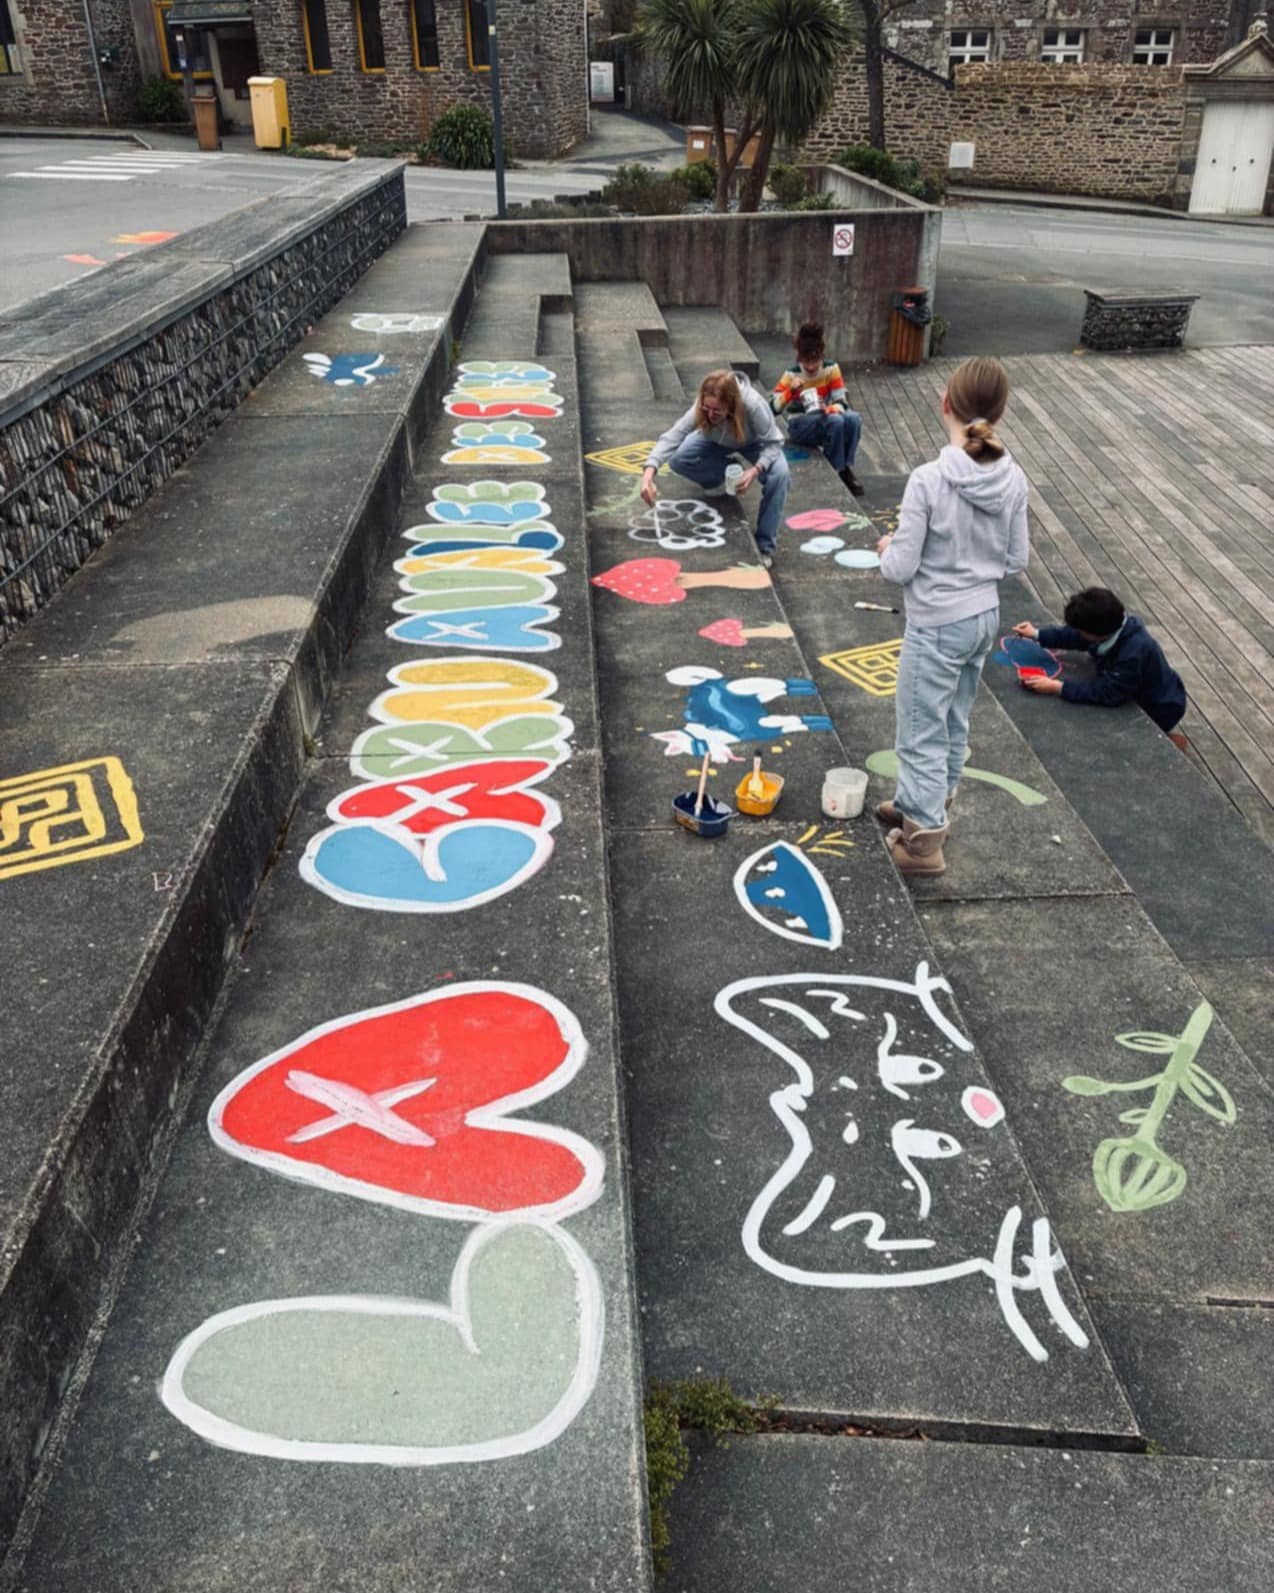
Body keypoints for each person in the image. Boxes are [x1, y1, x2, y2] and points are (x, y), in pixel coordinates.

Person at [874, 355, 1030, 877]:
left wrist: (887, 548)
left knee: (920, 728)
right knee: (953, 718)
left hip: (938, 621)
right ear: (999, 413)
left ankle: (922, 842)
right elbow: (1016, 560)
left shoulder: (929, 479)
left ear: (945, 402)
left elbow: (900, 568)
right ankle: (927, 805)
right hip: (983, 616)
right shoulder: (1012, 478)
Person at [641, 370, 790, 568]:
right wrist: (648, 474)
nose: (710, 414)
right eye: (706, 409)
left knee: (780, 475)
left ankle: (765, 545)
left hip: (754, 442)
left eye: (717, 411)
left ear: (731, 405)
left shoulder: (753, 405)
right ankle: (723, 473)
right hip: (714, 439)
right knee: (679, 458)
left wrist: (755, 470)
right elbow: (674, 435)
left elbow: (774, 442)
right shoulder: (704, 408)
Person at [1012, 588, 1187, 736]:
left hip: (1159, 707)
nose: (1078, 633)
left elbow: (1109, 693)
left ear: (1097, 634)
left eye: (1082, 631)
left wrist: (1058, 687)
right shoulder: (1109, 627)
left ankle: (1166, 737)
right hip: (1130, 685)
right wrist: (1037, 634)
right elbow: (1075, 636)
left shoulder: (1133, 654)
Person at [770, 321, 864, 496]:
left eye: (815, 361)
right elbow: (772, 408)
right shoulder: (792, 374)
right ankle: (835, 469)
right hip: (800, 425)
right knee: (835, 421)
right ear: (800, 358)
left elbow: (841, 401)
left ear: (821, 355)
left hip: (825, 416)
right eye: (806, 361)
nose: (811, 367)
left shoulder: (831, 369)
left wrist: (827, 407)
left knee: (853, 419)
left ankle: (845, 468)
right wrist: (790, 391)